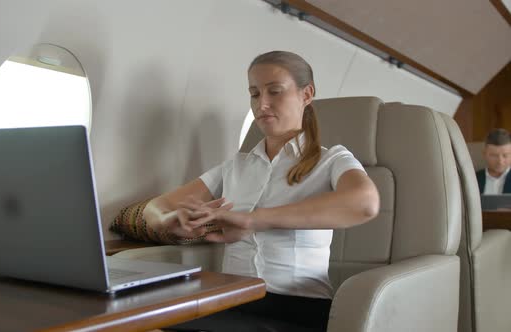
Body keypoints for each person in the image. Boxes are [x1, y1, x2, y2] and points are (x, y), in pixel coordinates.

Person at [140, 51, 380, 332]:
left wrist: (253, 219)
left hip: (297, 307)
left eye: (274, 92)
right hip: (231, 300)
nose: (262, 104)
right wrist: (167, 221)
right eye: (254, 94)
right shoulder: (235, 167)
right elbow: (154, 207)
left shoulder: (332, 160)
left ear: (307, 94)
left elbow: (365, 203)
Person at [476, 128, 511, 194]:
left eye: (505, 155)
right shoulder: (473, 179)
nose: (500, 161)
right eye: (494, 155)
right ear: (484, 154)